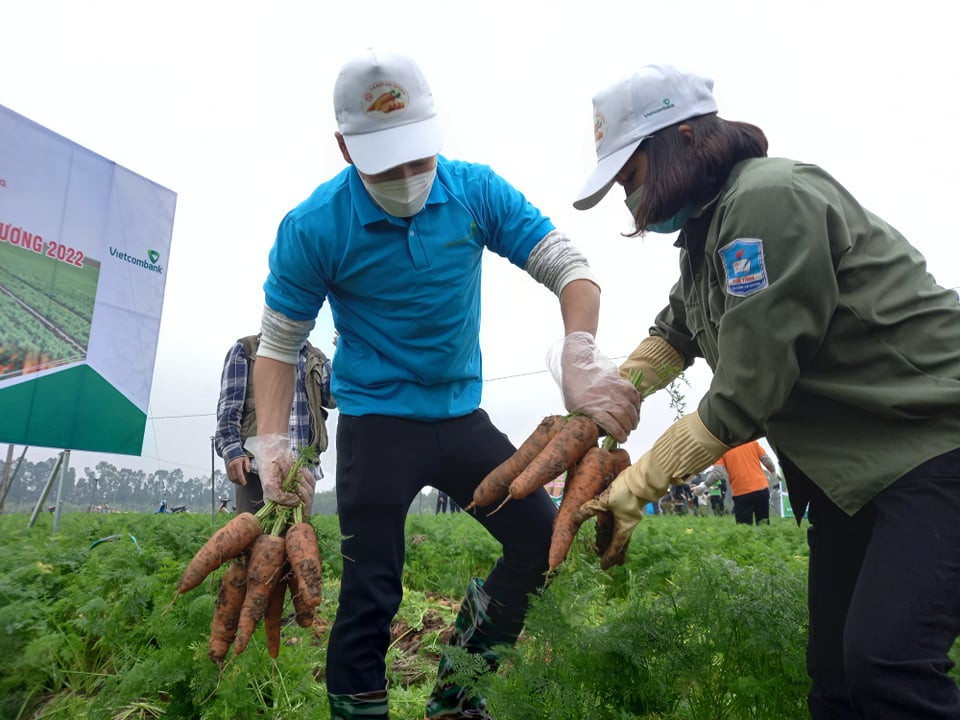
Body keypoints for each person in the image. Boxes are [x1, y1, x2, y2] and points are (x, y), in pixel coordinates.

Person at [250, 49, 642, 720]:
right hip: (378, 423)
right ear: (346, 147)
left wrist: (580, 350)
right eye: (387, 163)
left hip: (461, 417)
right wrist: (269, 442)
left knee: (538, 543)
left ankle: (457, 697)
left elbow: (568, 266)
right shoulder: (316, 226)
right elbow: (280, 345)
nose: (409, 177)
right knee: (372, 587)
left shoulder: (472, 191)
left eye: (419, 156)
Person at [573, 64, 960, 718]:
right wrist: (594, 412)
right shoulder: (705, 234)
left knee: (888, 665)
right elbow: (676, 332)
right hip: (853, 474)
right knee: (835, 670)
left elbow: (745, 394)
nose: (626, 197)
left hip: (931, 450)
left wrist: (636, 488)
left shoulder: (767, 201)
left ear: (684, 138)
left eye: (630, 176)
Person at [214, 334, 335, 515]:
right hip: (255, 469)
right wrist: (232, 452)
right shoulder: (246, 350)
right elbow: (229, 409)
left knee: (298, 538)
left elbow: (335, 398)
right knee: (251, 535)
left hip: (301, 474)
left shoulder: (317, 360)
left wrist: (347, 350)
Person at [714, 440, 776, 525]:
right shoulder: (751, 441)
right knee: (763, 524)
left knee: (744, 529)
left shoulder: (722, 448)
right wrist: (773, 471)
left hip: (742, 492)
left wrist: (703, 486)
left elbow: (717, 472)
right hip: (761, 488)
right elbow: (766, 459)